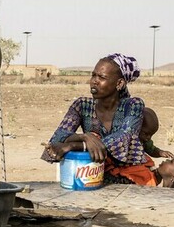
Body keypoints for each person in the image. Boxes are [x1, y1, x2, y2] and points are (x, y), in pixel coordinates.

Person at [42, 53, 153, 185]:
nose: (94, 81)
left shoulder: (133, 105)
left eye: (102, 77)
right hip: (88, 178)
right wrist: (85, 137)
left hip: (127, 181)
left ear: (119, 83)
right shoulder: (82, 105)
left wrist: (74, 145)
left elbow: (124, 137)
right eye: (93, 75)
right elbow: (56, 139)